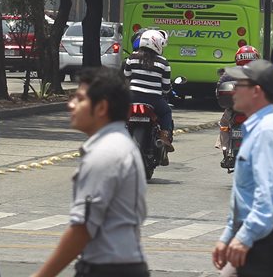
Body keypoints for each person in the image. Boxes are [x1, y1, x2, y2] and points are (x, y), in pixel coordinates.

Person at [32, 67, 148, 277]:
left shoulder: (105, 153)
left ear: (102, 107)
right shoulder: (120, 144)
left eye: (79, 99)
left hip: (109, 270)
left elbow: (83, 228)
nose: (71, 105)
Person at [213, 59, 273, 277]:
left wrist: (243, 238)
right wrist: (229, 235)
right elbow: (244, 196)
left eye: (239, 85)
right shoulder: (256, 128)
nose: (233, 90)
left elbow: (268, 196)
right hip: (256, 234)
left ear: (256, 91)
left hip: (268, 242)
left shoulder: (267, 132)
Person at [122, 28, 174, 159]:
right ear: (157, 44)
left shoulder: (131, 58)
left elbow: (126, 77)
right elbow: (166, 87)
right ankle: (164, 136)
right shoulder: (163, 63)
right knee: (167, 112)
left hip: (132, 97)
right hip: (154, 100)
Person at [218, 45, 261, 154]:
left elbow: (219, 87)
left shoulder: (229, 73)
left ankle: (225, 149)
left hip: (233, 111)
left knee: (224, 124)